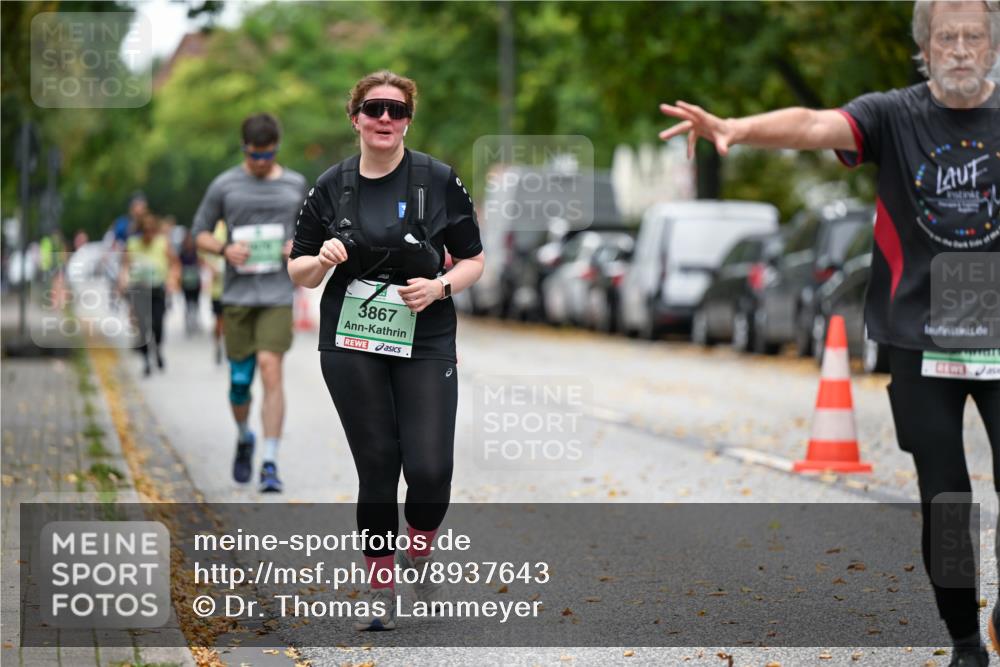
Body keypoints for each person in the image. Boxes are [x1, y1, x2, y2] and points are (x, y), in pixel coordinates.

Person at [659, 2, 999, 664]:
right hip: (919, 334)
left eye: (974, 36)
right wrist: (738, 127)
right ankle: (966, 643)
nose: (960, 48)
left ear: (993, 46)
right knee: (948, 499)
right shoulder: (894, 115)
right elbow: (815, 123)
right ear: (923, 49)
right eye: (945, 37)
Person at [288, 70, 485, 631]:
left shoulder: (438, 179)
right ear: (355, 117)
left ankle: (418, 546)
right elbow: (299, 271)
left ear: (407, 122)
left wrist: (440, 287)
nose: (385, 120)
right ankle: (381, 587)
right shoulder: (331, 185)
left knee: (430, 469)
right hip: (351, 337)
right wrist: (322, 260)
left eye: (397, 111)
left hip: (424, 332)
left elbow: (474, 259)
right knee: (378, 466)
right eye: (374, 109)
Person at [193, 113, 307, 493]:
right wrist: (225, 248)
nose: (261, 162)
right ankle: (245, 436)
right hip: (238, 296)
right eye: (254, 155)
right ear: (244, 148)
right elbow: (199, 234)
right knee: (240, 382)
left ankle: (270, 461)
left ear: (277, 147)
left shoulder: (295, 185)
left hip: (276, 294)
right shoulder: (225, 185)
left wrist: (299, 248)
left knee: (270, 367)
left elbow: (314, 232)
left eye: (268, 155)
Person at [119, 211, 179, 376]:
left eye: (152, 230)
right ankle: (146, 360)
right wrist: (123, 282)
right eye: (145, 230)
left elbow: (174, 263)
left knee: (157, 324)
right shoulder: (132, 244)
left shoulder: (162, 243)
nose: (149, 234)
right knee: (142, 327)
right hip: (139, 289)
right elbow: (125, 267)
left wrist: (172, 280)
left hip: (157, 289)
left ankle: (158, 349)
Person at [178, 227, 204, 335]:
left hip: (195, 280)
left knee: (196, 302)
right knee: (188, 302)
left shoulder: (195, 252)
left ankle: (194, 320)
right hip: (186, 281)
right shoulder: (182, 252)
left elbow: (201, 263)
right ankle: (189, 321)